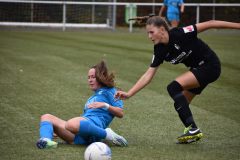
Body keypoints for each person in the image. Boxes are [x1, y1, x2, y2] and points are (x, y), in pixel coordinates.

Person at [116, 16, 240, 144]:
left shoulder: (180, 33)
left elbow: (211, 23)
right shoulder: (159, 49)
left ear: (162, 30)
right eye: (148, 33)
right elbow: (148, 74)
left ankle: (193, 129)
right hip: (199, 69)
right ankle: (192, 133)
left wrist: (238, 26)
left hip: (210, 65)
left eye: (151, 32)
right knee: (181, 103)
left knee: (173, 87)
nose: (149, 36)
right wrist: (129, 93)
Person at [36, 61, 128, 149]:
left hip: (94, 131)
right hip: (79, 136)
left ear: (100, 77)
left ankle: (108, 134)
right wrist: (58, 130)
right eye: (88, 77)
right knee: (46, 117)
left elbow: (120, 113)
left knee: (70, 124)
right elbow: (83, 120)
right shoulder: (91, 98)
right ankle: (46, 141)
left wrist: (105, 105)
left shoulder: (110, 91)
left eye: (93, 77)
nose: (90, 80)